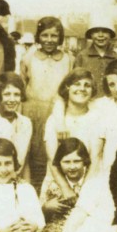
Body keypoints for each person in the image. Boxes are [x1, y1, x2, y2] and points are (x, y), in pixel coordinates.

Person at [21, 16, 73, 188]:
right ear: (38, 36)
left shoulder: (67, 59)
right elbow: (21, 85)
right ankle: (31, 191)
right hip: (31, 112)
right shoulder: (29, 56)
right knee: (31, 154)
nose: (49, 40)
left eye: (53, 36)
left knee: (52, 154)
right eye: (44, 35)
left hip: (56, 112)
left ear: (60, 38)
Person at [42, 68, 99, 200]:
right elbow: (52, 160)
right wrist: (66, 189)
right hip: (58, 182)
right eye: (77, 84)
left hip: (88, 181)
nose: (82, 88)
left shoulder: (97, 117)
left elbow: (95, 157)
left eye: (87, 85)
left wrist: (85, 191)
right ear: (67, 87)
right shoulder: (55, 120)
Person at [39, 138, 91, 232]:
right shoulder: (52, 182)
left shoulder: (91, 180)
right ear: (59, 163)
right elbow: (40, 216)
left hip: (84, 224)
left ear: (85, 161)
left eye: (77, 161)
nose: (72, 167)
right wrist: (47, 208)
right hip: (59, 224)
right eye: (66, 162)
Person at [0, 72, 33, 181]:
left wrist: (27, 187)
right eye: (7, 94)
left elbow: (25, 162)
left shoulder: (26, 123)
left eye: (16, 94)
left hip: (17, 181)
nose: (12, 99)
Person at [74, 14, 117, 91]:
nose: (100, 35)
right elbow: (75, 83)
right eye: (96, 31)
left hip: (111, 101)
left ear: (110, 34)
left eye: (105, 31)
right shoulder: (82, 56)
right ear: (91, 34)